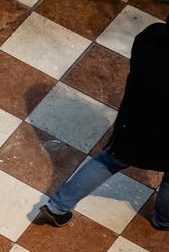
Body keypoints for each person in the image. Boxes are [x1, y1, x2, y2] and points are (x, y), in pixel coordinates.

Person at [39, 15, 169, 230]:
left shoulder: (151, 35)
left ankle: (56, 207)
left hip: (133, 123)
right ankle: (163, 221)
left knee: (108, 161)